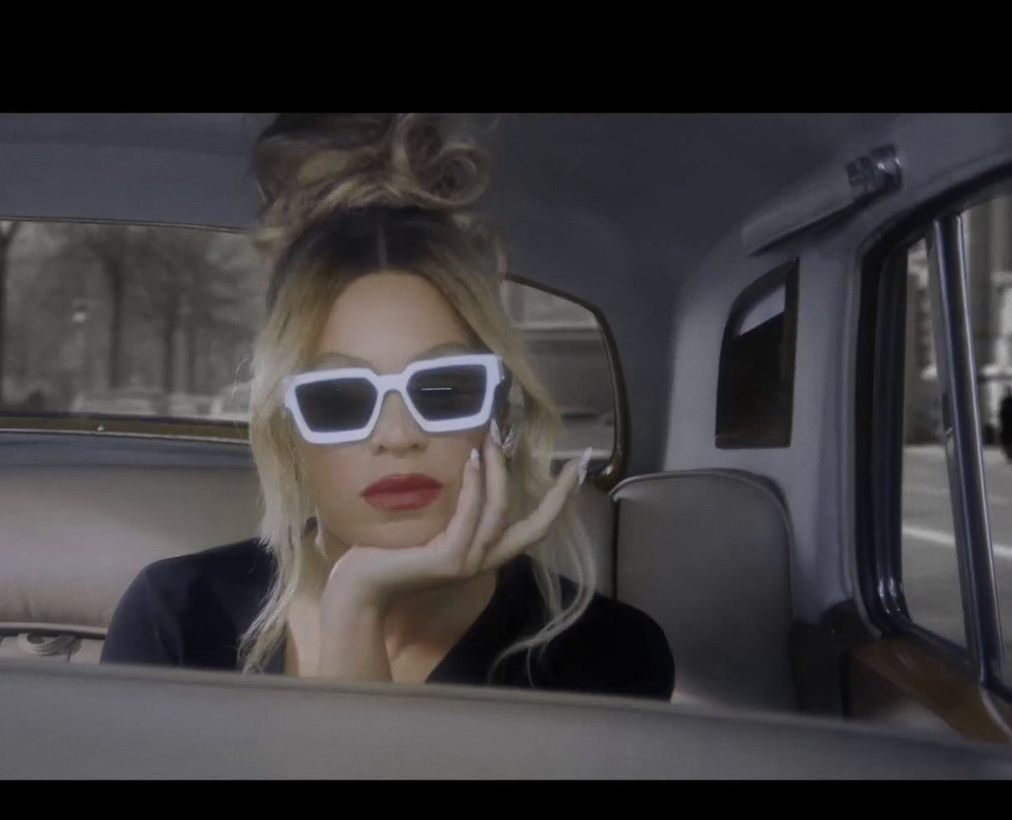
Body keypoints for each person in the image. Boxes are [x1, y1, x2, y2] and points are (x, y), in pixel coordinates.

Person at [101, 114, 674, 699]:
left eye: (445, 389)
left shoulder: (609, 655)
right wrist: (357, 603)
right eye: (339, 399)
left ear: (498, 413)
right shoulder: (174, 617)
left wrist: (356, 604)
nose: (397, 435)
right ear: (290, 435)